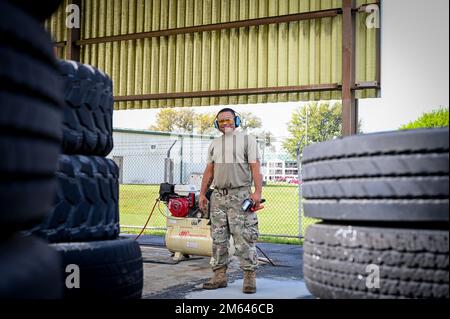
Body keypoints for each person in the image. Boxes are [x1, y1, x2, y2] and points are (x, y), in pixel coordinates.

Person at [199, 107, 263, 294]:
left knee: (243, 238)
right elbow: (209, 171)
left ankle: (249, 278)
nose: (225, 123)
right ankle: (219, 277)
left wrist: (257, 192)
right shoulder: (214, 144)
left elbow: (255, 168)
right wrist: (203, 194)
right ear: (216, 124)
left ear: (236, 121)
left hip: (240, 195)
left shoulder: (247, 140)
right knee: (218, 240)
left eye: (228, 120)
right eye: (221, 121)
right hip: (218, 196)